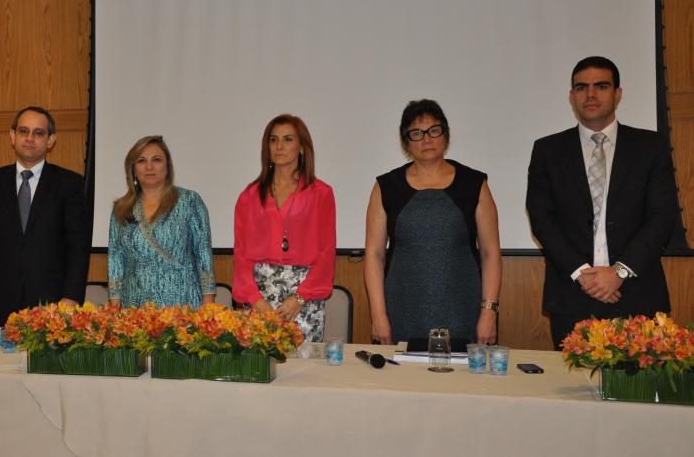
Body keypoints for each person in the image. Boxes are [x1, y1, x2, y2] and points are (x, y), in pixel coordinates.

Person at [527, 56, 678, 349]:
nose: (591, 94)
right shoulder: (548, 150)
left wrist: (619, 272)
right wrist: (584, 275)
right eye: (581, 87)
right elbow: (542, 219)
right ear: (572, 96)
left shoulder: (650, 147)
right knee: (572, 392)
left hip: (636, 293)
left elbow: (662, 217)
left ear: (618, 93)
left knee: (635, 392)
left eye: (601, 86)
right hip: (572, 295)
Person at [363, 100, 501, 345]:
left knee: (463, 384)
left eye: (433, 130)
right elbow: (374, 255)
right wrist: (378, 315)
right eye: (416, 133)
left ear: (445, 136)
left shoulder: (474, 184)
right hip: (400, 314)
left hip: (464, 314)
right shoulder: (386, 187)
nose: (426, 139)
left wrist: (489, 312)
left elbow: (490, 253)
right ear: (406, 142)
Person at [0, 106, 91, 323]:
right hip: (0, 301)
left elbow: (77, 248)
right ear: (12, 136)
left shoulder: (70, 184)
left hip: (53, 303)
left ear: (50, 140)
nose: (29, 138)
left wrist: (72, 297)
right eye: (23, 131)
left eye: (38, 133)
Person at [233, 114, 336, 343]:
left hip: (303, 301)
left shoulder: (321, 194)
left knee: (303, 375)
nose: (279, 146)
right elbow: (241, 255)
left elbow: (326, 254)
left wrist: (298, 299)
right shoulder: (249, 196)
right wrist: (255, 299)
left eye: (288, 139)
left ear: (301, 147)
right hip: (258, 300)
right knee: (258, 370)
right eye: (273, 140)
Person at [107, 136, 215, 308]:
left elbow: (204, 256)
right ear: (133, 169)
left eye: (156, 160)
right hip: (135, 309)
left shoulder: (189, 201)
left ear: (167, 167)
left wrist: (209, 308)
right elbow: (115, 259)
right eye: (141, 161)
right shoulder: (122, 208)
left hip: (183, 307)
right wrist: (114, 307)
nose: (149, 167)